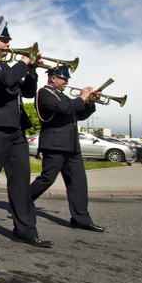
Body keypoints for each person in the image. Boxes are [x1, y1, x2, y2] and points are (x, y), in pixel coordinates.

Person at [0, 26, 53, 248]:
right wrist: (24, 62)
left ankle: (25, 230)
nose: (8, 44)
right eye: (4, 40)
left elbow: (26, 92)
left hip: (16, 128)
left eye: (8, 41)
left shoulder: (10, 65)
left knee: (20, 180)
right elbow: (5, 81)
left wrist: (33, 70)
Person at [29, 66, 105, 232]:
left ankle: (81, 219)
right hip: (55, 144)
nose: (67, 82)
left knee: (78, 183)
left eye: (67, 79)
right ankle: (21, 202)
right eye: (63, 78)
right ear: (52, 78)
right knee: (47, 179)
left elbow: (79, 114)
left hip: (71, 145)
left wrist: (89, 101)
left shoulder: (63, 96)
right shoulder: (44, 94)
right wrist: (81, 97)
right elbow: (63, 108)